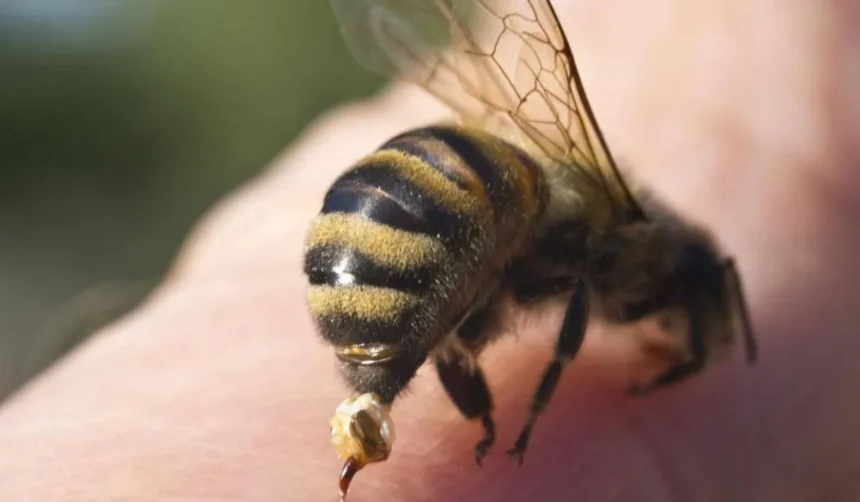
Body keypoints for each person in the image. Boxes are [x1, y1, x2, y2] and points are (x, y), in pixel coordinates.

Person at [1, 2, 858, 500]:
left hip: (384, 213)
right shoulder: (614, 240)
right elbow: (562, 298)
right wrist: (521, 419)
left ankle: (407, 397)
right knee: (484, 265)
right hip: (422, 215)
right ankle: (466, 414)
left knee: (471, 275)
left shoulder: (548, 218)